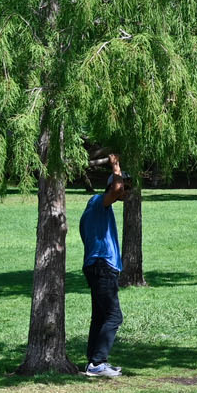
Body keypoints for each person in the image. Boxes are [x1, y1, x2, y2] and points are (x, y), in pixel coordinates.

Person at [77, 162, 126, 378]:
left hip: (98, 267)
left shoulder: (97, 210)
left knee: (99, 316)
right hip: (102, 266)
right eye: (124, 186)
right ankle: (98, 362)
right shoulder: (98, 202)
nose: (125, 191)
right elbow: (115, 189)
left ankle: (93, 363)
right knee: (114, 316)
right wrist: (115, 167)